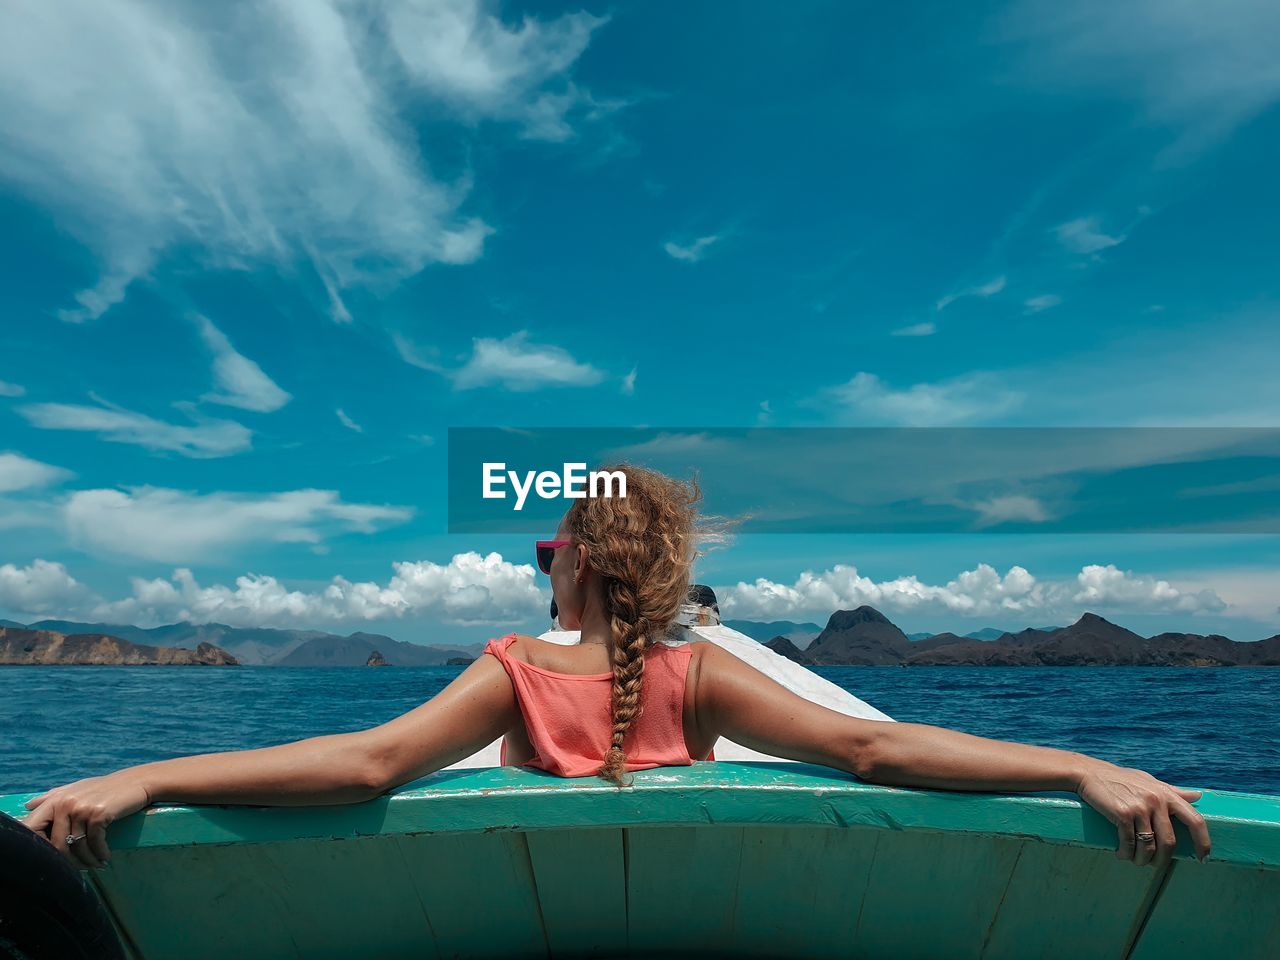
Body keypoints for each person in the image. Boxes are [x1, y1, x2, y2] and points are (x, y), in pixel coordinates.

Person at [21, 463, 1210, 872]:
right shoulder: (701, 677)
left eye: (545, 547)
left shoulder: (514, 667)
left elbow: (365, 763)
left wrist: (148, 778)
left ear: (573, 562)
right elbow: (874, 749)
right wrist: (1074, 766)